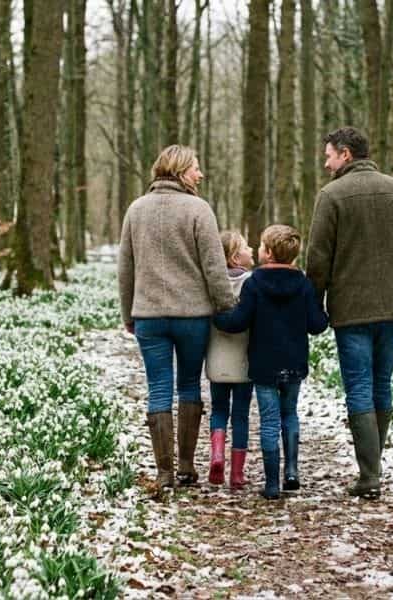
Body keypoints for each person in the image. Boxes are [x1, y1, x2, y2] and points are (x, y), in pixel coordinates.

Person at [305, 127, 393, 498]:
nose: (326, 163)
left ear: (345, 154)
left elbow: (318, 260)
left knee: (360, 386)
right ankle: (373, 468)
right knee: (381, 383)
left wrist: (313, 307)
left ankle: (369, 474)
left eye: (329, 155)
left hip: (350, 311)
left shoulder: (331, 196)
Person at [118, 145, 236, 492]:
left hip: (149, 316)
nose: (200, 175)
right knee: (188, 384)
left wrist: (129, 314)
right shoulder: (198, 210)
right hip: (192, 316)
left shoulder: (136, 210)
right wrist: (227, 307)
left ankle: (164, 472)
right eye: (195, 168)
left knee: (158, 389)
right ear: (181, 171)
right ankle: (186, 466)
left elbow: (126, 270)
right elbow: (215, 268)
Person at [215, 225, 329, 499]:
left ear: (267, 253)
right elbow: (316, 325)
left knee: (268, 421)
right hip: (294, 363)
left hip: (264, 365)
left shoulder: (254, 283)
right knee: (289, 415)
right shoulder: (303, 284)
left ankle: (272, 484)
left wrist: (215, 317)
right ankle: (292, 471)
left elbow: (238, 321)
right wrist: (323, 312)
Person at [204, 231, 255, 488]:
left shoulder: (212, 285)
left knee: (219, 409)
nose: (252, 249)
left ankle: (216, 455)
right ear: (236, 258)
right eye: (246, 247)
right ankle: (236, 474)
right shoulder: (252, 283)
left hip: (217, 358)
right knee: (241, 415)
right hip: (244, 360)